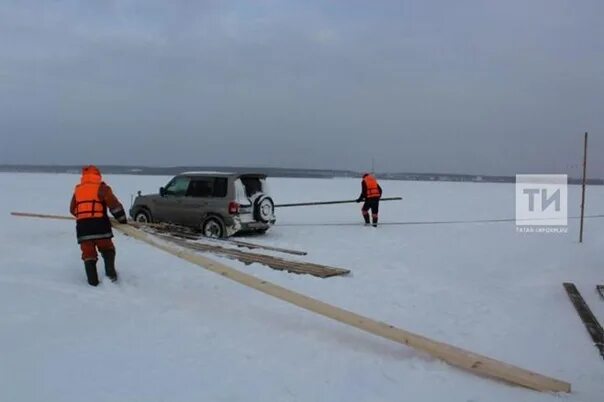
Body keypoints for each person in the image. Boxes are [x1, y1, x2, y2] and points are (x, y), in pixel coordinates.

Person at [69, 165, 128, 286]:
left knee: (88, 255)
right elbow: (114, 206)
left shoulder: (78, 190)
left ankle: (92, 283)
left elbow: (72, 209)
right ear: (97, 176)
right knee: (108, 249)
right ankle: (111, 276)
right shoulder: (102, 188)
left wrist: (83, 216)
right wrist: (122, 220)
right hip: (100, 227)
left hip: (83, 229)